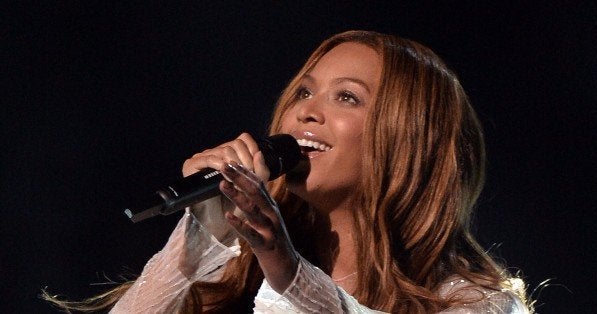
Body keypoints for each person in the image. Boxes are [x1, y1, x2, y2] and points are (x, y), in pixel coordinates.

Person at [46, 30, 531, 313]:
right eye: (303, 92)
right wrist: (201, 237)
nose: (307, 112)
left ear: (411, 139)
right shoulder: (236, 272)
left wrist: (289, 273)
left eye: (346, 97)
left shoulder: (471, 303)